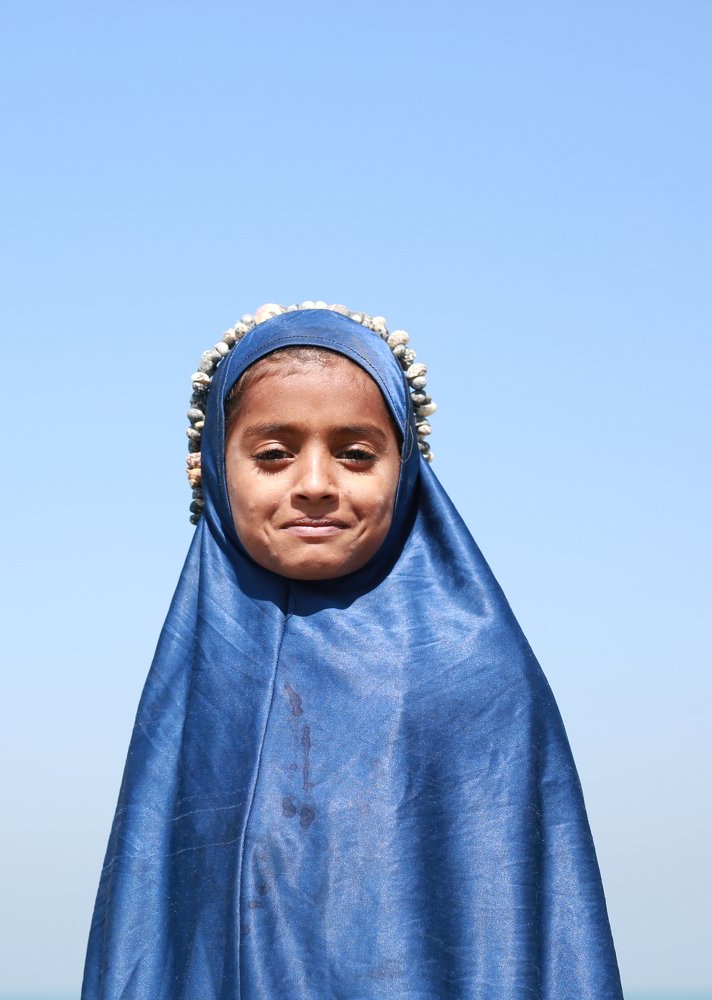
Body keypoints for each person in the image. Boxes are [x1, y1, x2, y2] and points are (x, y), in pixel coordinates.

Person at [82, 303, 624, 999]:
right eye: (273, 454)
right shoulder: (191, 685)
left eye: (356, 454)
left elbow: (527, 933)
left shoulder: (481, 675)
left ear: (407, 472)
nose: (314, 484)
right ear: (213, 468)